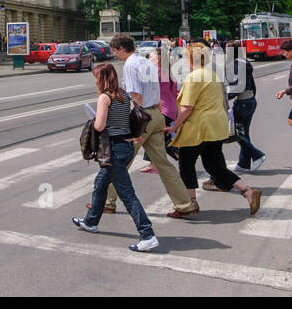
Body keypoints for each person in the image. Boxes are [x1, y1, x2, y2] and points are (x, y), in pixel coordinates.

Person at [72, 62, 159, 251]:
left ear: (102, 78)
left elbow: (100, 126)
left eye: (96, 76)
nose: (94, 80)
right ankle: (91, 221)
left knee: (127, 194)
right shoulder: (123, 94)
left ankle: (148, 234)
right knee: (101, 184)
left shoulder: (105, 97)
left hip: (113, 150)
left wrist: (93, 120)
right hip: (125, 148)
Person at [167, 42, 262, 216]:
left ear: (189, 58)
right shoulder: (212, 74)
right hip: (216, 126)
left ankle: (190, 204)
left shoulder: (194, 77)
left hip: (198, 128)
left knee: (186, 164)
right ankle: (248, 191)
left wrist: (174, 126)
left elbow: (187, 108)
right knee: (214, 166)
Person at [111, 35, 197, 219]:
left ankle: (106, 202)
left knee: (119, 160)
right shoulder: (148, 63)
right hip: (156, 115)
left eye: (114, 50)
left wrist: (131, 123)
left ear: (121, 49)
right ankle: (185, 204)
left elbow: (136, 96)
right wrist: (156, 115)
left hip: (142, 118)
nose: (114, 54)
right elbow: (156, 93)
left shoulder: (130, 65)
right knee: (163, 164)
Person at [226, 46, 267, 174]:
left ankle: (257, 155)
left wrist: (224, 97)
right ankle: (243, 164)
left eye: (228, 49)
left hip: (242, 102)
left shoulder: (235, 65)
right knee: (244, 133)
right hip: (250, 100)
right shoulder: (245, 62)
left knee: (238, 133)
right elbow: (252, 84)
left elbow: (237, 87)